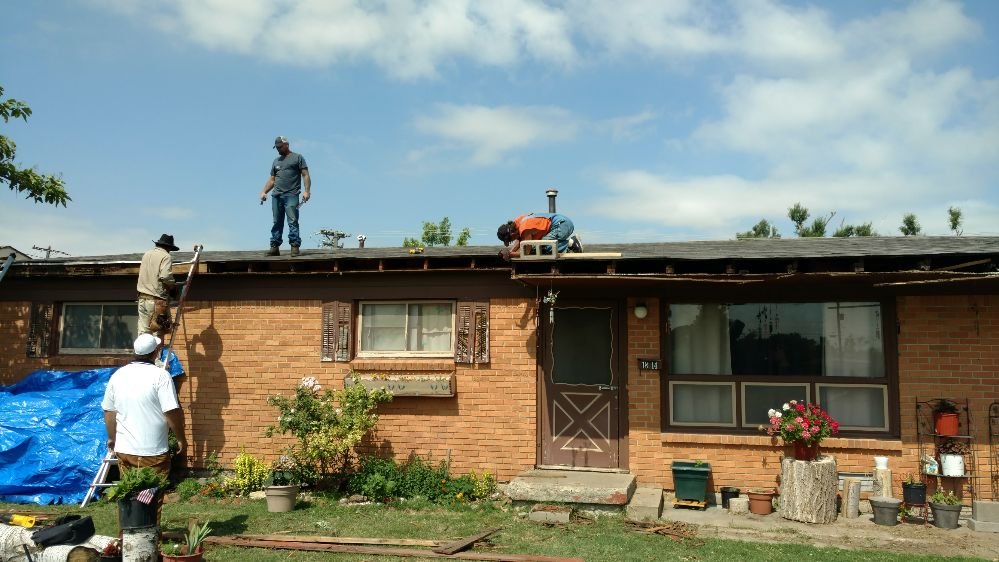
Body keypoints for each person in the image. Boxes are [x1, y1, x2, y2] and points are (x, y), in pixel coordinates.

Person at [102, 333, 186, 481]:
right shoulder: (161, 376)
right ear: (155, 352)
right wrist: (180, 438)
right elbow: (171, 411)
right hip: (153, 452)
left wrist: (111, 437)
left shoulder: (118, 375)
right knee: (151, 493)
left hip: (124, 451)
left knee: (129, 491)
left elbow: (109, 412)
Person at [260, 135, 310, 257]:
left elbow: (305, 175)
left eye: (280, 146)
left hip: (292, 194)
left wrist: (307, 191)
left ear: (286, 145)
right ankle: (274, 247)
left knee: (292, 220)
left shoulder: (297, 157)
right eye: (277, 147)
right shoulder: (276, 161)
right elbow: (272, 179)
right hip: (276, 195)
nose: (278, 149)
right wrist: (264, 191)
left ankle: (294, 246)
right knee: (276, 221)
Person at [137, 234, 178, 337]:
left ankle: (142, 348)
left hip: (142, 298)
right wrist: (172, 287)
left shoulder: (146, 254)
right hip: (156, 301)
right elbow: (165, 276)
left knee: (143, 333)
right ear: (168, 247)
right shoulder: (165, 256)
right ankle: (156, 349)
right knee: (157, 332)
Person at [496, 212, 582, 259]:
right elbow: (519, 239)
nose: (511, 241)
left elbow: (526, 253)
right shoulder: (517, 222)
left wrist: (510, 255)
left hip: (562, 225)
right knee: (539, 247)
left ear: (512, 233)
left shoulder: (525, 229)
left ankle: (571, 244)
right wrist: (510, 251)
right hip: (561, 223)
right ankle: (569, 246)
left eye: (510, 239)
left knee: (541, 247)